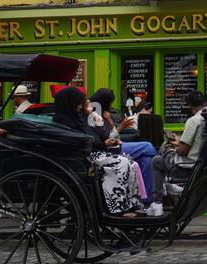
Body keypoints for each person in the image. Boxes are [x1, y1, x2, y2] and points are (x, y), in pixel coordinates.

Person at [51, 86, 143, 216]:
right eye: (79, 103)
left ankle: (131, 204)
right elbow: (87, 139)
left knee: (129, 161)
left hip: (91, 152)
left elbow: (96, 136)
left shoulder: (78, 117)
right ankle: (117, 207)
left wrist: (103, 135)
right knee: (121, 163)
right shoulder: (66, 120)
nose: (80, 107)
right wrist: (103, 142)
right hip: (84, 156)